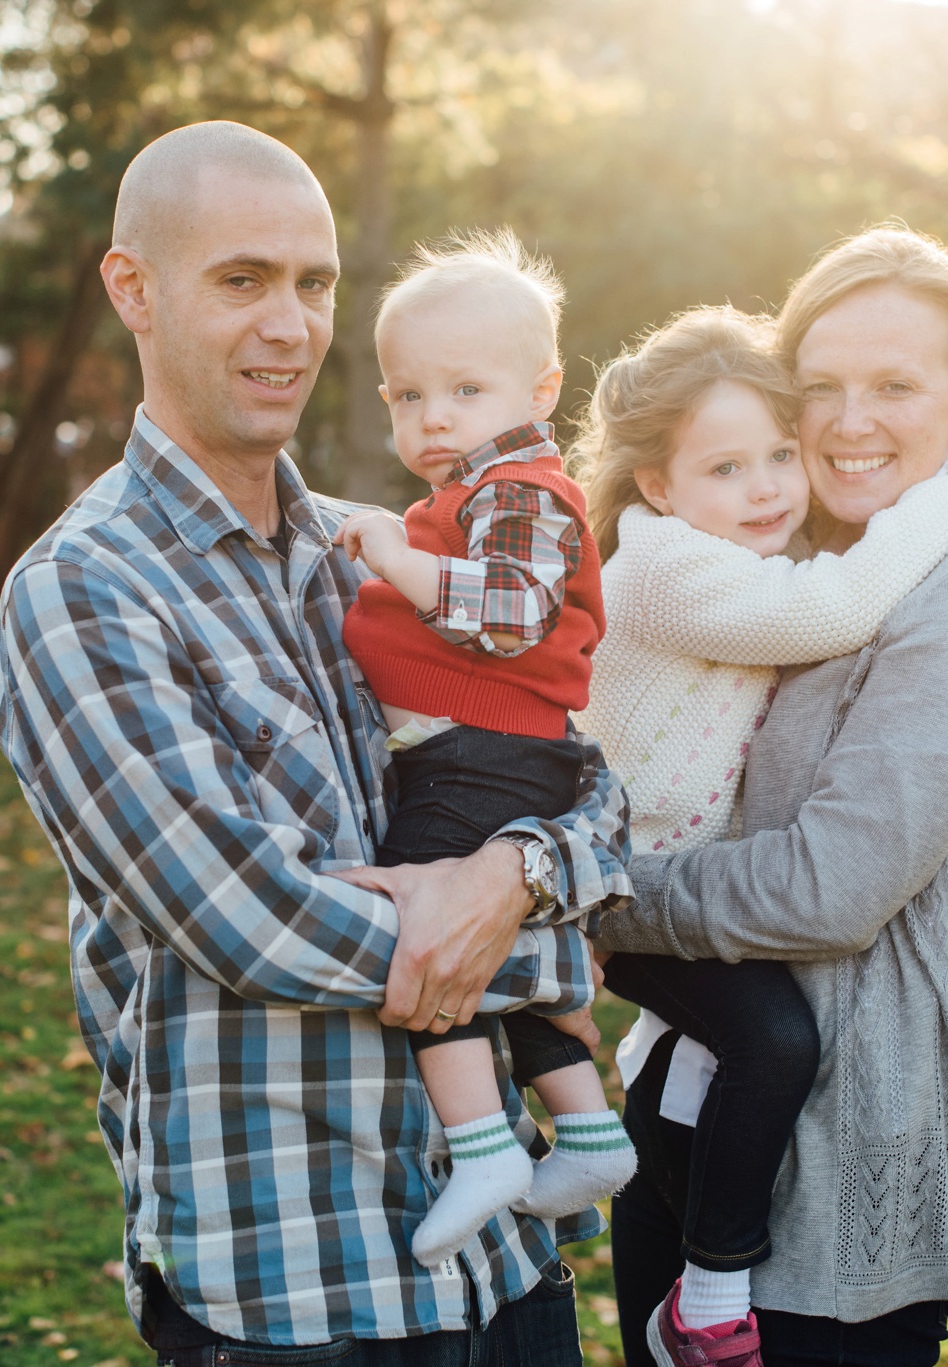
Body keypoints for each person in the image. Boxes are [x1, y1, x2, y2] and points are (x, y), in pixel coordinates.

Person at [0, 122, 632, 1366]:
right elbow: (252, 921)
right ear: (133, 289)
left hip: (504, 1278)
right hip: (295, 1290)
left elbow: (588, 782)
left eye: (314, 283)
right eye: (241, 280)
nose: (289, 324)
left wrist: (515, 878)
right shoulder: (86, 589)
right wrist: (543, 940)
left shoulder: (379, 547)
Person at [595, 228, 948, 1367]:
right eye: (816, 387)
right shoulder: (800, 573)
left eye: (892, 385)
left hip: (836, 1189)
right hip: (686, 1125)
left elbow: (827, 889)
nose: (846, 419)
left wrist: (581, 895)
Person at [333, 230, 637, 1267]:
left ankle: (482, 1147)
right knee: (498, 950)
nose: (432, 416)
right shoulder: (465, 496)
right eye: (406, 394)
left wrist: (393, 557)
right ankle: (589, 1133)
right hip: (482, 747)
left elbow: (508, 612)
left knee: (427, 920)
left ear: (541, 386)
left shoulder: (518, 492)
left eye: (465, 387)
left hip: (480, 751)